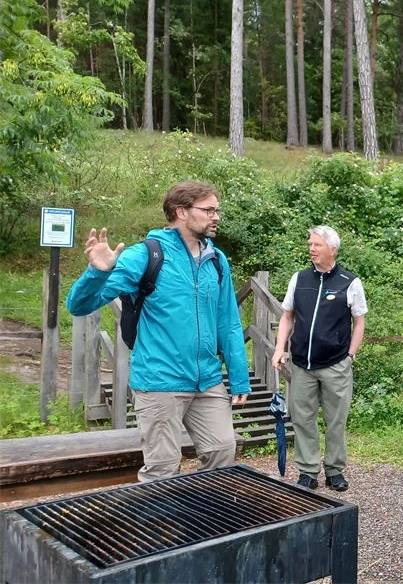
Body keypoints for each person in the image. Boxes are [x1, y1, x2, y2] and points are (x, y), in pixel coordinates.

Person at [66, 181, 250, 482]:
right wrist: (98, 272)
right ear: (181, 212)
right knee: (162, 468)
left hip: (207, 380)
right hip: (159, 380)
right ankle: (161, 526)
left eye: (217, 210)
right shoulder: (145, 256)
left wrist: (239, 378)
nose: (216, 217)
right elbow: (79, 305)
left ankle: (203, 519)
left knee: (221, 453)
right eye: (208, 210)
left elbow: (228, 321)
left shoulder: (216, 260)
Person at [272, 226, 367, 492]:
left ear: (332, 249)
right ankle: (308, 471)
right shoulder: (299, 278)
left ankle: (335, 470)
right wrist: (280, 348)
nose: (312, 249)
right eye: (310, 244)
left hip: (336, 363)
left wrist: (350, 354)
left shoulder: (349, 282)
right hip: (302, 364)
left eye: (317, 245)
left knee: (336, 419)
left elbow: (359, 322)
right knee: (302, 418)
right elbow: (287, 316)